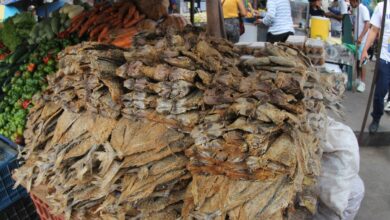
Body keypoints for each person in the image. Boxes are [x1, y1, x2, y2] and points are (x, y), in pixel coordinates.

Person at [360, 0, 390, 134]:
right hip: (385, 59)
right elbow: (373, 30)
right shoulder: (383, 7)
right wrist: (365, 49)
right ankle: (376, 118)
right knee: (379, 94)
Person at [350, 0, 370, 92]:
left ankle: (362, 82)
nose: (350, 3)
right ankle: (357, 79)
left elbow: (367, 24)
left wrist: (361, 37)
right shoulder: (356, 9)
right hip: (357, 40)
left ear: (355, 1)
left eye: (351, 1)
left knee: (362, 62)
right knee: (358, 61)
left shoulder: (363, 9)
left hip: (363, 41)